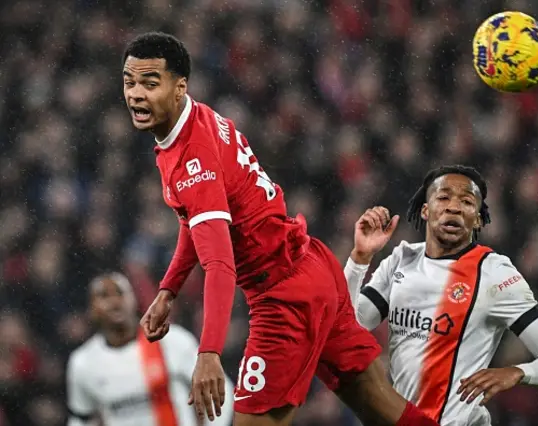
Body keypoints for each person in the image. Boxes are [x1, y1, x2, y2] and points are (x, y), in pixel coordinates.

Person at [121, 31, 439, 426]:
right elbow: (199, 217)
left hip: (283, 298)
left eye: (150, 84)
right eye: (129, 82)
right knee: (385, 410)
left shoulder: (192, 159)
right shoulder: (196, 119)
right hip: (313, 269)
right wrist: (169, 289)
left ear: (179, 87)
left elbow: (220, 264)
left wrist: (209, 354)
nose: (136, 94)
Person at [344, 165, 538, 426]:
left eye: (466, 201)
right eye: (443, 197)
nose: (453, 207)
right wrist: (359, 259)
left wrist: (517, 372)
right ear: (425, 210)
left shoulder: (494, 273)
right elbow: (349, 325)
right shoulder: (401, 260)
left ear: (477, 218)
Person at [66, 272, 234, 426]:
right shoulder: (83, 363)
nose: (114, 302)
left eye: (120, 293)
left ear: (134, 299)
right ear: (91, 309)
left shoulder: (171, 340)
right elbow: (81, 419)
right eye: (104, 296)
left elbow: (221, 388)